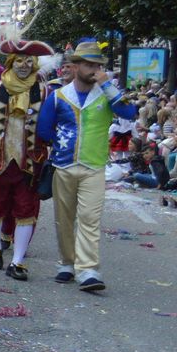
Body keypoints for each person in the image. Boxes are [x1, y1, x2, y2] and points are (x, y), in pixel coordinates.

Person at [36, 40, 140, 293]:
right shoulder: (58, 96)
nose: (94, 69)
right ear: (75, 66)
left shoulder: (107, 95)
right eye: (88, 64)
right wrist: (61, 144)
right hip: (64, 165)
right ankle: (67, 263)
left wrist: (107, 85)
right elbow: (43, 129)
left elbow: (130, 113)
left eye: (97, 65)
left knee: (90, 218)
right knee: (64, 219)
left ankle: (88, 269)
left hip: (94, 166)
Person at [0, 38, 53, 281]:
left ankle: (18, 261)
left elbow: (48, 126)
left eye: (28, 61)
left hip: (29, 162)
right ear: (11, 62)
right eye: (19, 60)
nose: (23, 65)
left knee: (26, 210)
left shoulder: (44, 91)